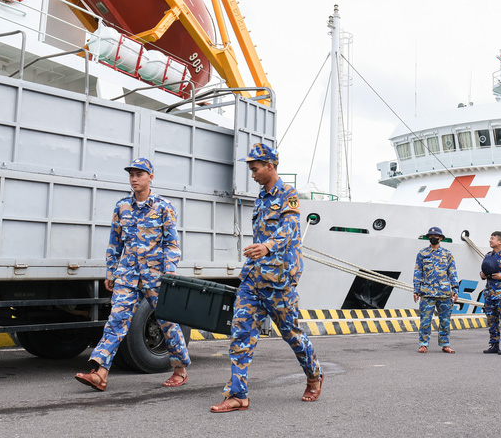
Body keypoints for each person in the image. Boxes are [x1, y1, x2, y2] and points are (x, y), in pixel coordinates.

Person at [210, 143, 322, 413]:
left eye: (255, 168)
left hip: (279, 279)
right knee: (240, 333)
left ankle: (314, 374)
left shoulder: (288, 194)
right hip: (253, 277)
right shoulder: (261, 197)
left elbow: (291, 227)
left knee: (292, 334)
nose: (252, 174)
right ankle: (237, 395)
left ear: (270, 166)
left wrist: (268, 246)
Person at [74, 158, 190, 391]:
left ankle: (179, 369)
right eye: (131, 175)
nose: (134, 179)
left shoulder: (163, 207)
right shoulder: (122, 207)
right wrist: (111, 271)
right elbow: (115, 242)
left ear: (151, 177)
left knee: (167, 321)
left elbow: (172, 245)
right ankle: (100, 373)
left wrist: (169, 274)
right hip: (128, 274)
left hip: (156, 275)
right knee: (116, 319)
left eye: (139, 174)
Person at [413, 227, 458, 354]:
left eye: (436, 235)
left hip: (444, 293)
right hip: (427, 292)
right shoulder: (422, 254)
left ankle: (445, 344)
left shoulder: (447, 254)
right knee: (425, 320)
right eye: (431, 235)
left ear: (441, 238)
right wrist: (416, 290)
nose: (433, 237)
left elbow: (452, 272)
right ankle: (423, 344)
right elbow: (418, 272)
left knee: (445, 320)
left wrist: (455, 289)